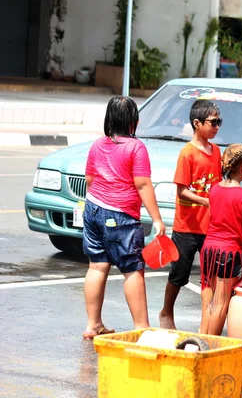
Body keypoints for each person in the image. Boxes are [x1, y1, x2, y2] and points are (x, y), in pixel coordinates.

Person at [82, 96, 166, 339]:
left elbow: (89, 179)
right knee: (132, 269)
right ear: (134, 121)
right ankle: (141, 327)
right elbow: (142, 184)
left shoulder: (98, 144)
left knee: (97, 266)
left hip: (93, 209)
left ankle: (93, 324)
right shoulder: (135, 147)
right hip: (121, 216)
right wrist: (157, 219)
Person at [158, 100, 223, 330]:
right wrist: (206, 200)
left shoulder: (216, 152)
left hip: (211, 226)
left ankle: (207, 320)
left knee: (211, 274)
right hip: (187, 226)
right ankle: (166, 311)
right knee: (179, 272)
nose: (217, 127)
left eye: (219, 122)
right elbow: (182, 190)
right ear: (197, 123)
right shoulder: (187, 154)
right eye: (213, 122)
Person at [199, 144, 242, 336]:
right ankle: (211, 347)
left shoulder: (214, 190)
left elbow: (213, 218)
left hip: (209, 250)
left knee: (208, 302)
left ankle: (198, 344)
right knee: (221, 304)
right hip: (228, 253)